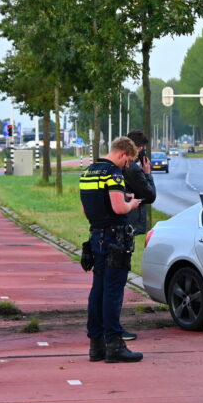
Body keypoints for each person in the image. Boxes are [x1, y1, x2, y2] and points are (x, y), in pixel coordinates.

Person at [79, 136, 144, 363]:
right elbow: (118, 208)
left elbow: (86, 209)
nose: (126, 167)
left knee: (97, 291)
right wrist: (131, 204)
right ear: (123, 154)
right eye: (128, 162)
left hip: (96, 236)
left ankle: (96, 345)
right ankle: (115, 344)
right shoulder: (112, 173)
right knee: (113, 291)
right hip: (115, 239)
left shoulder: (88, 172)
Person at [124, 129, 157, 238]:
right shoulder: (133, 169)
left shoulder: (121, 164)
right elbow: (150, 196)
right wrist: (147, 174)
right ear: (140, 148)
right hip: (131, 221)